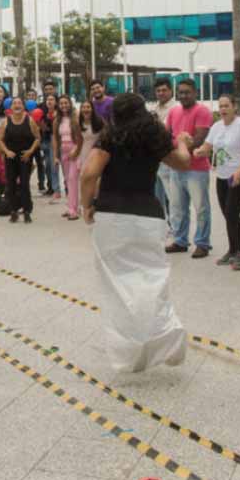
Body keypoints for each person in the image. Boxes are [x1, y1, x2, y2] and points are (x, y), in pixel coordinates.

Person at [80, 93, 192, 373]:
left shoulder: (110, 137)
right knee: (153, 277)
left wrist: (87, 205)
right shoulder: (155, 136)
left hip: (112, 215)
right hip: (148, 215)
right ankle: (169, 333)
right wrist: (182, 143)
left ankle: (129, 351)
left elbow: (88, 173)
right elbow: (182, 163)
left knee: (117, 285)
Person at [193, 95, 240, 270]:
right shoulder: (216, 126)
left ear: (234, 106)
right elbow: (208, 147)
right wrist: (199, 151)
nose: (223, 109)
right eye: (220, 106)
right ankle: (233, 249)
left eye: (227, 105)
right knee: (228, 214)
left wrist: (239, 172)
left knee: (232, 213)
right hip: (222, 177)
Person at [164, 78, 212, 258]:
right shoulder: (173, 111)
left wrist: (180, 151)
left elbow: (199, 139)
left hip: (196, 169)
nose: (183, 95)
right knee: (177, 207)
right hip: (177, 168)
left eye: (187, 92)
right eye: (181, 92)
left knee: (201, 207)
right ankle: (180, 240)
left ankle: (202, 243)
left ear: (195, 93)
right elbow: (167, 135)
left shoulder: (202, 111)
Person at [0, 94, 41, 223]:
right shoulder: (5, 121)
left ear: (23, 107)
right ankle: (13, 211)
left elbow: (38, 138)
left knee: (24, 185)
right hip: (10, 157)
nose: (17, 105)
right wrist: (6, 151)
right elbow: (0, 140)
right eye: (14, 103)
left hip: (24, 157)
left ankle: (27, 211)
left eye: (19, 103)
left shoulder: (30, 120)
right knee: (10, 185)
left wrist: (30, 152)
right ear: (11, 107)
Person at [53, 95, 83, 220]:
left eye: (66, 103)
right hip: (63, 152)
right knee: (67, 180)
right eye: (61, 103)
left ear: (70, 104)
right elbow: (55, 139)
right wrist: (56, 156)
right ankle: (71, 206)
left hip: (75, 150)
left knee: (73, 179)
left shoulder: (76, 118)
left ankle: (74, 210)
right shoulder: (57, 120)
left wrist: (76, 150)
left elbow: (81, 137)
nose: (64, 105)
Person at [153, 78, 177, 223]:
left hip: (169, 156)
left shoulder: (176, 108)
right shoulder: (155, 108)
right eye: (158, 91)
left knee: (172, 196)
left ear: (170, 91)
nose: (161, 93)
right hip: (155, 157)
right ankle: (163, 225)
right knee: (157, 195)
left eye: (164, 90)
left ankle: (176, 227)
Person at [40, 94, 62, 203]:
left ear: (56, 102)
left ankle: (57, 189)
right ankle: (54, 188)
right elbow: (44, 129)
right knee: (48, 166)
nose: (49, 101)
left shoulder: (60, 113)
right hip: (46, 141)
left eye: (52, 99)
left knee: (55, 166)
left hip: (58, 141)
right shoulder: (43, 114)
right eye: (47, 99)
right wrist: (43, 127)